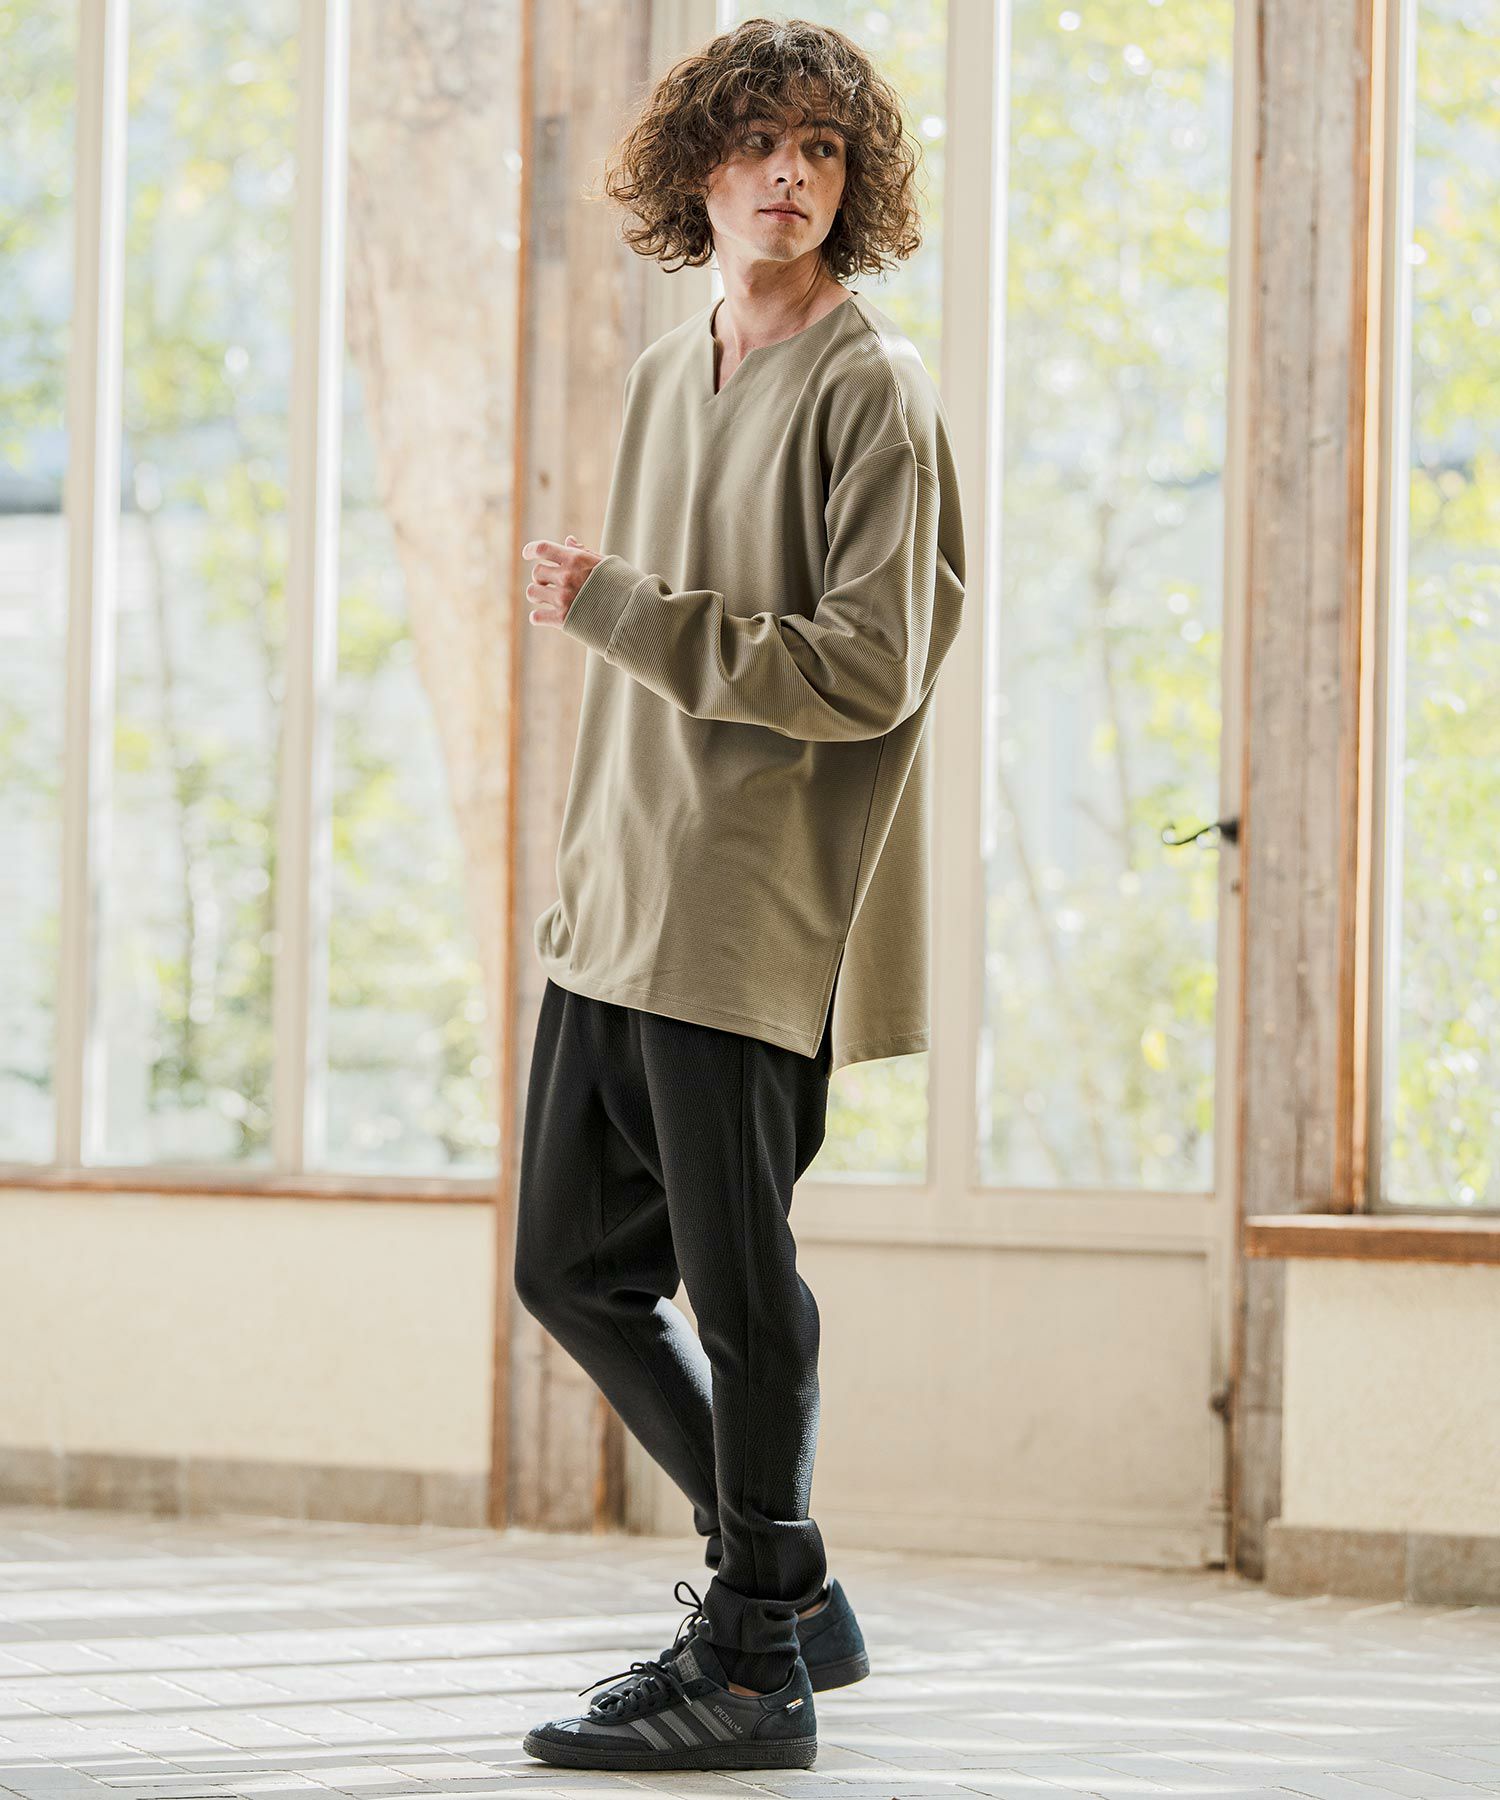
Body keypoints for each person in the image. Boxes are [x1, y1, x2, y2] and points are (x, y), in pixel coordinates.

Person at [513, 14, 966, 1775]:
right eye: (760, 142)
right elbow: (646, 677)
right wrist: (584, 856)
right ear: (697, 167)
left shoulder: (873, 390)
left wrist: (621, 609)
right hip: (620, 898)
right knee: (569, 1269)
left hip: (749, 908)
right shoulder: (665, 369)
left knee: (742, 1292)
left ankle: (759, 1663)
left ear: (855, 186)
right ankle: (788, 1591)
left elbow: (868, 668)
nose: (791, 175)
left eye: (823, 151)